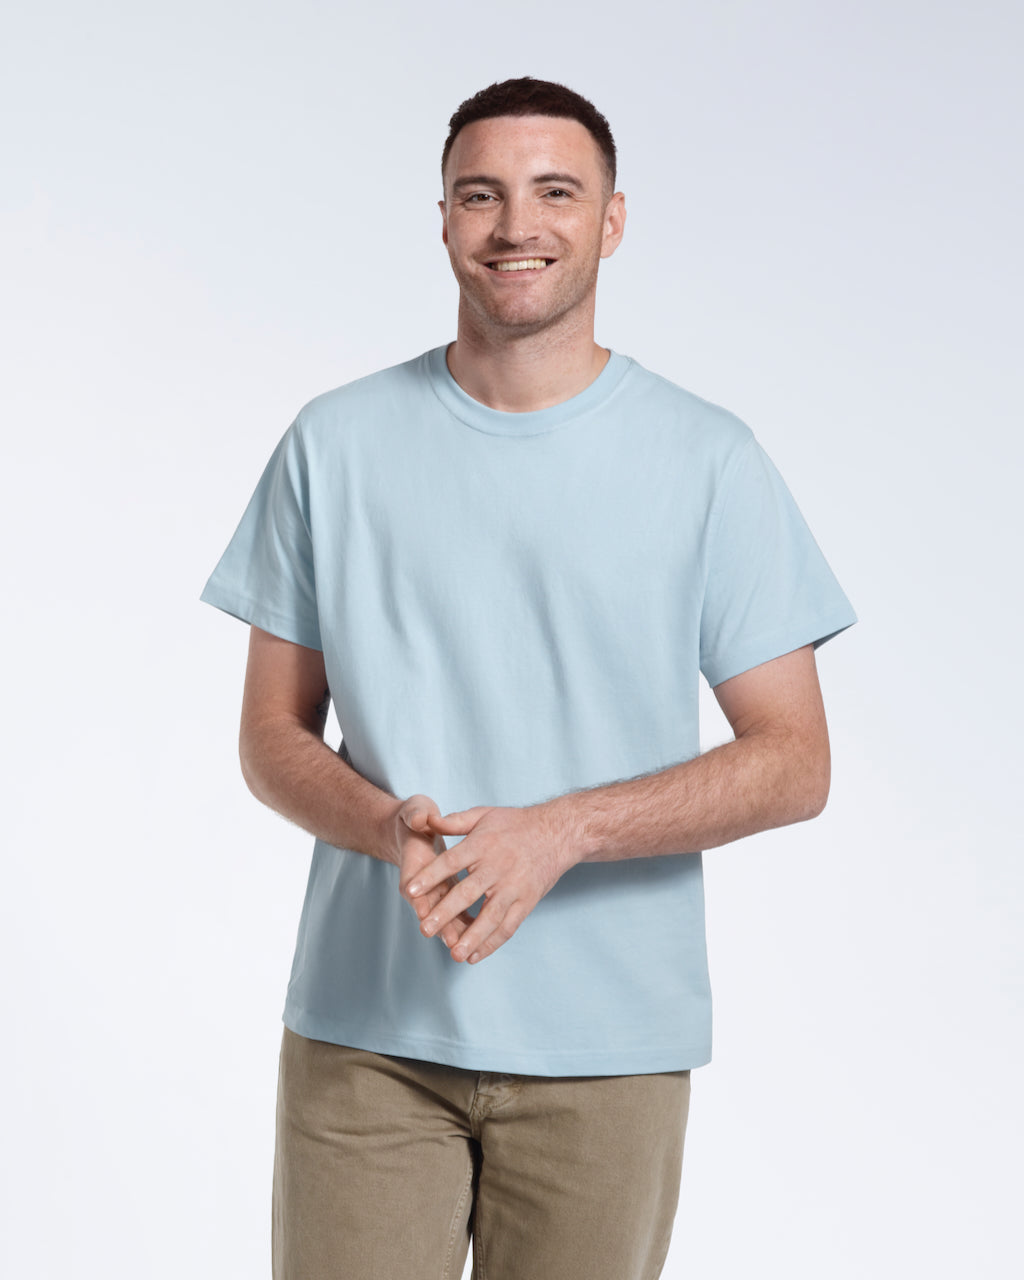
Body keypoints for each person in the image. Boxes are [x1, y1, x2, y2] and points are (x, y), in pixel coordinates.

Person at [202, 76, 855, 1280]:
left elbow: (794, 758)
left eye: (556, 192)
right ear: (443, 217)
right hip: (367, 1035)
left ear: (611, 220)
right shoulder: (333, 444)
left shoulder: (707, 458)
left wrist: (561, 831)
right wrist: (381, 820)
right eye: (481, 194)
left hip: (609, 1044)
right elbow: (270, 735)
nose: (517, 226)